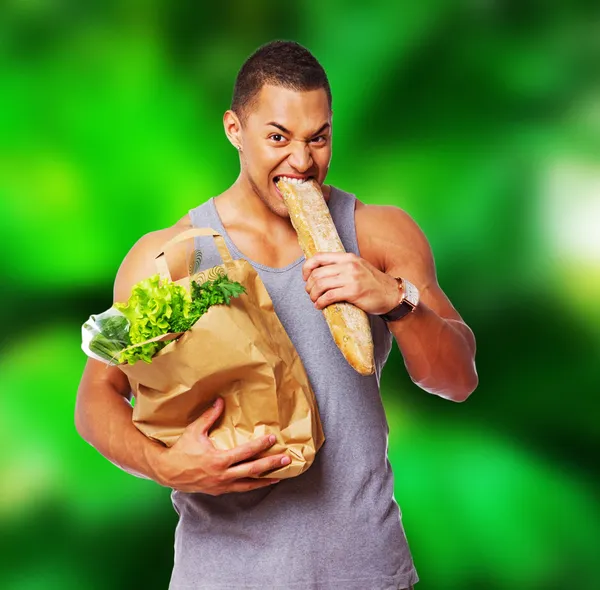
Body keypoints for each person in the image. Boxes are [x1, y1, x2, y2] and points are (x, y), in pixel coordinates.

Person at [75, 40, 478, 590]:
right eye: (277, 138)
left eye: (319, 137)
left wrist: (396, 299)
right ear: (234, 130)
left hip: (366, 572)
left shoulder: (380, 234)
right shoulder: (167, 256)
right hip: (222, 575)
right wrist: (167, 466)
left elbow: (456, 380)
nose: (302, 161)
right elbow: (96, 396)